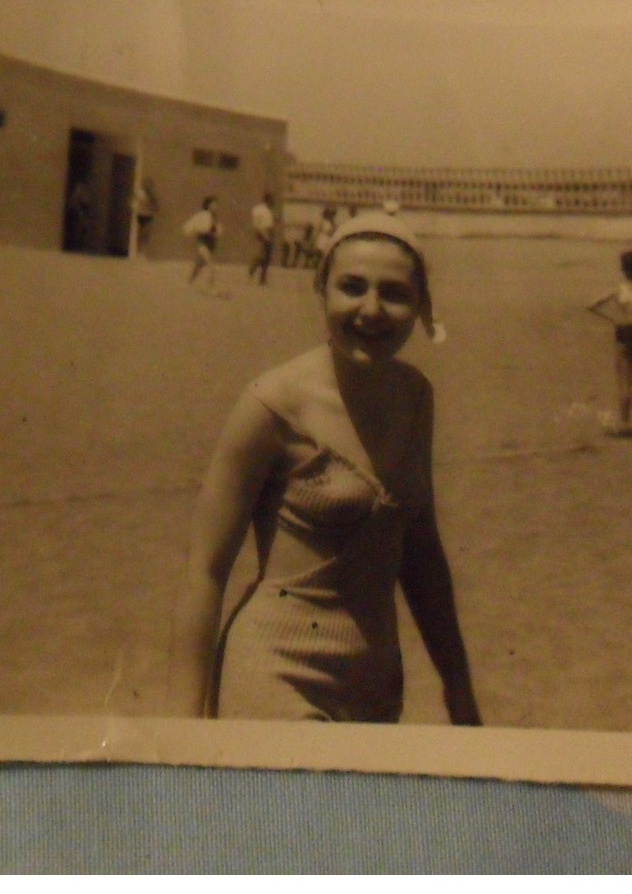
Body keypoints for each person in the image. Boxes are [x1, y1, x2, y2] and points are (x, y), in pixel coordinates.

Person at [168, 212, 481, 725]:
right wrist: (179, 724)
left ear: (422, 305)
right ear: (322, 288)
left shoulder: (416, 398)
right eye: (351, 287)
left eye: (396, 294)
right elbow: (204, 570)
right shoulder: (272, 403)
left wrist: (459, 691)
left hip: (375, 683)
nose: (372, 310)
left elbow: (422, 556)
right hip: (274, 674)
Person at [587, 249, 632, 434]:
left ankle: (625, 424)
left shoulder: (618, 290)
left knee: (624, 381)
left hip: (624, 330)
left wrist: (613, 319)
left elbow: (591, 305)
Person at [183, 196, 222, 292]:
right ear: (208, 205)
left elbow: (217, 230)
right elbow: (191, 227)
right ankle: (211, 288)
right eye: (214, 204)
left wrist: (216, 233)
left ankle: (189, 282)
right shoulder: (202, 215)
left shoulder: (214, 217)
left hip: (211, 244)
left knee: (199, 265)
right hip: (203, 244)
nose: (216, 206)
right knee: (211, 266)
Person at [248, 192, 276, 285]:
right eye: (272, 199)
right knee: (262, 255)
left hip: (267, 231)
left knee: (267, 257)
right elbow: (257, 223)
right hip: (263, 232)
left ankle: (262, 278)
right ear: (268, 200)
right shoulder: (260, 209)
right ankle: (252, 268)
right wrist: (263, 234)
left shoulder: (268, 210)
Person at [133, 178, 158, 256]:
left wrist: (152, 207)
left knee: (146, 233)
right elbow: (134, 203)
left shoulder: (152, 195)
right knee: (140, 233)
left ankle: (142, 250)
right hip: (141, 215)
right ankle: (138, 250)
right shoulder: (140, 194)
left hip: (148, 215)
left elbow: (156, 206)